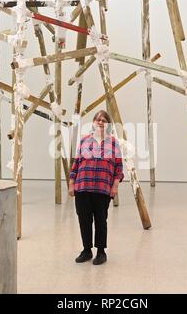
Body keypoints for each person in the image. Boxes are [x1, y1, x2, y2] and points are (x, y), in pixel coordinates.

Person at [69, 110, 124, 265]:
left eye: (104, 120)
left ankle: (101, 252)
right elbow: (76, 163)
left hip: (102, 189)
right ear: (93, 122)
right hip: (83, 187)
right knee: (84, 220)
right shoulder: (84, 141)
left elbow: (119, 169)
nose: (100, 122)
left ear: (108, 124)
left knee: (101, 221)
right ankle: (86, 250)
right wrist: (71, 183)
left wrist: (115, 186)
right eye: (98, 119)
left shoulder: (113, 143)